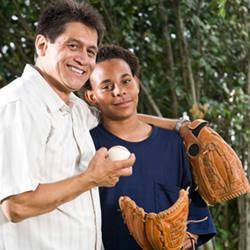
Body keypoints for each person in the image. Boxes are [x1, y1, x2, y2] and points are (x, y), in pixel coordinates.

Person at [0, 2, 137, 250]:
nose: (83, 59)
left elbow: (119, 114)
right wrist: (92, 178)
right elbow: (16, 205)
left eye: (91, 52)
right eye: (73, 46)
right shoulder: (19, 104)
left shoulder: (74, 107)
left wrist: (181, 125)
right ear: (42, 45)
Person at [84, 44, 217, 250]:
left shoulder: (173, 144)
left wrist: (188, 239)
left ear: (136, 83)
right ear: (92, 96)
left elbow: (194, 202)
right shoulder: (86, 146)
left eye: (126, 81)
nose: (119, 91)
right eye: (106, 86)